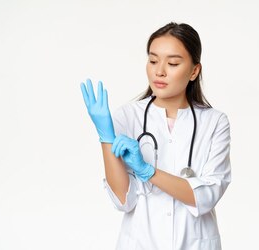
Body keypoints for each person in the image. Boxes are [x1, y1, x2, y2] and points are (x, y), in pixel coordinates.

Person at [80, 22, 231, 250]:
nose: (159, 71)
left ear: (194, 71)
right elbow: (123, 200)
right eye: (152, 61)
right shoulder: (128, 117)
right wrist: (106, 137)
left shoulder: (214, 122)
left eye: (172, 63)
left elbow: (207, 196)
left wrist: (148, 172)